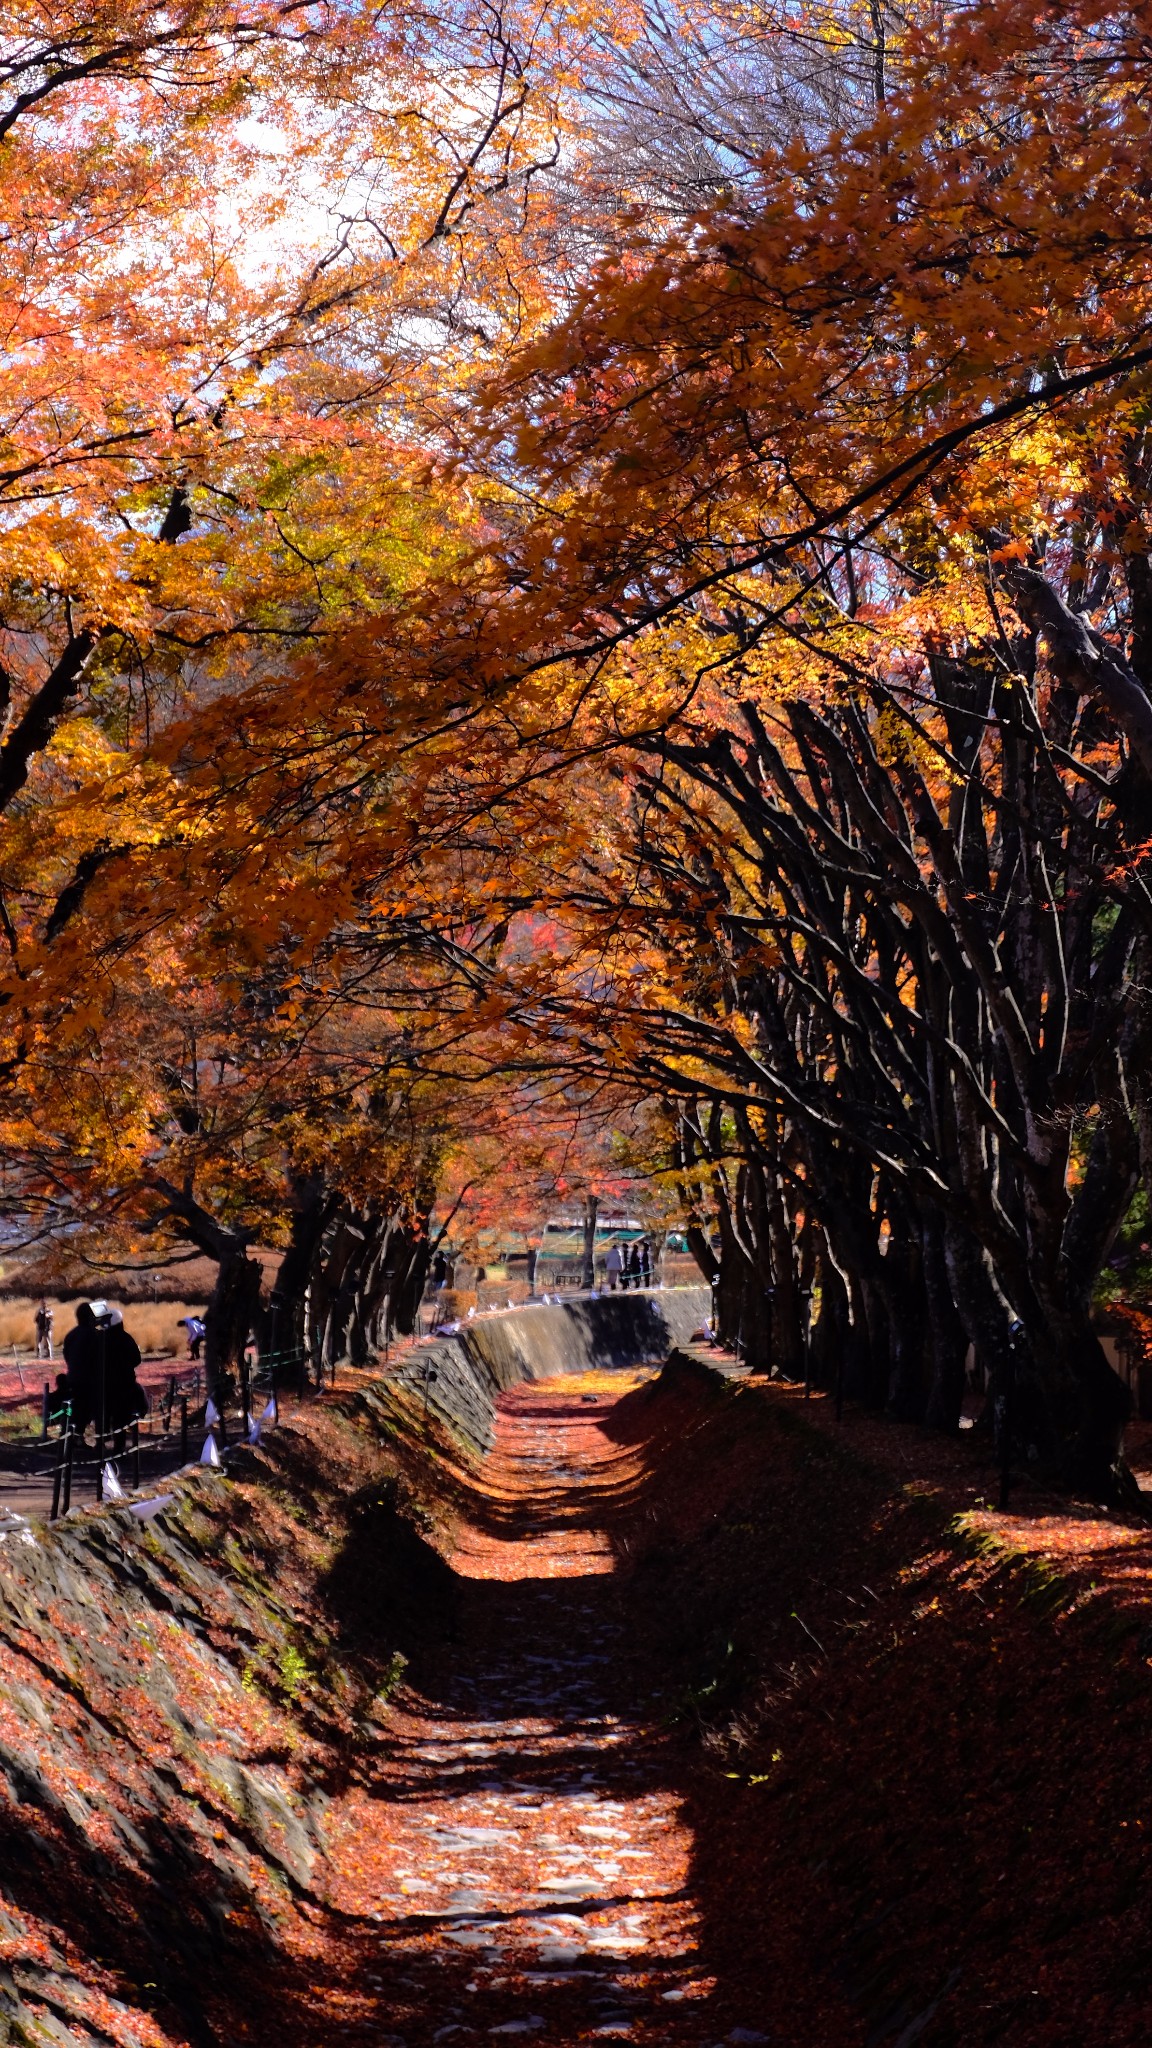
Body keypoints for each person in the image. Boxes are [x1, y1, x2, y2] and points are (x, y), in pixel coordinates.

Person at [63, 1302, 146, 1439]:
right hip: (104, 1383)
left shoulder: (75, 1335)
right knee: (113, 1413)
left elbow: (69, 1356)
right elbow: (134, 1359)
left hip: (81, 1380)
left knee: (86, 1413)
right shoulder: (99, 1336)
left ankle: (84, 1440)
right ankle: (111, 1443)